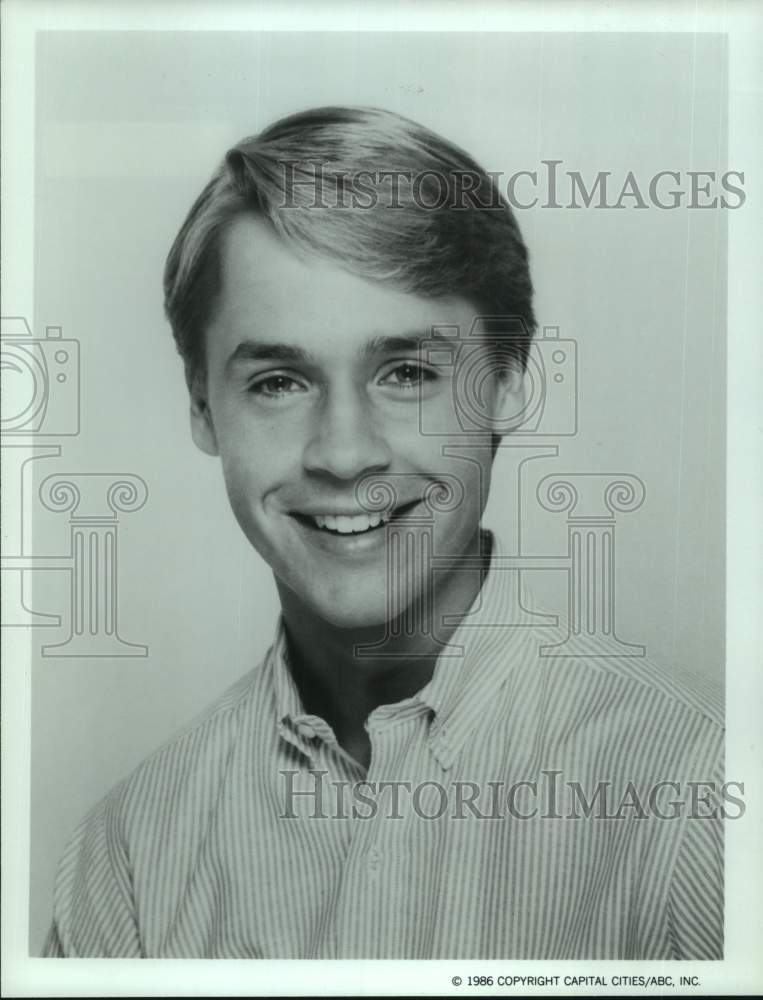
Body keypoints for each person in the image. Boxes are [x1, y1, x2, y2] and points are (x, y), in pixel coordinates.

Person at [43, 106, 723, 959]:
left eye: (405, 373)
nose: (342, 452)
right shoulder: (128, 860)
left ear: (509, 383)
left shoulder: (701, 793)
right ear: (200, 405)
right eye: (279, 382)